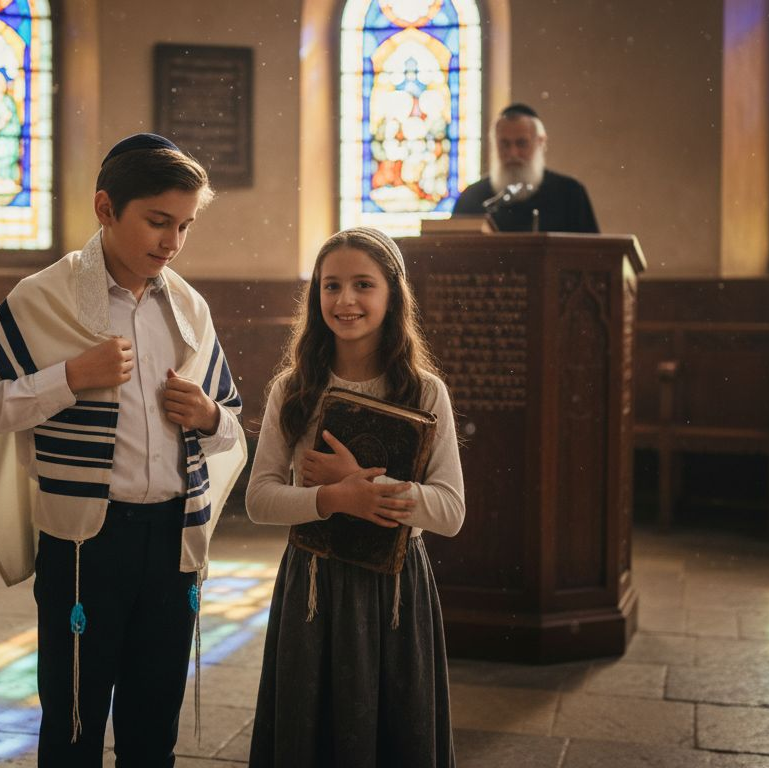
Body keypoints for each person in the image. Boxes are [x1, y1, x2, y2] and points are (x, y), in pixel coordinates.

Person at [0, 133, 247, 766]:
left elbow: (232, 429)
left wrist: (210, 412)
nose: (172, 242)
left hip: (171, 539)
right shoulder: (39, 299)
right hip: (85, 547)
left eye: (185, 226)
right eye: (158, 221)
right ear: (106, 208)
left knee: (151, 726)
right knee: (74, 724)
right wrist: (70, 378)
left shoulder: (189, 307)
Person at [246, 227, 465, 767]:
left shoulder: (423, 391)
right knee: (309, 730)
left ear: (392, 295)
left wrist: (367, 490)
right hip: (313, 585)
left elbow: (452, 511)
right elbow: (259, 499)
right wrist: (332, 499)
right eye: (331, 285)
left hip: (394, 593)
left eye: (363, 285)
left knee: (394, 732)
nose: (345, 300)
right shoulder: (293, 389)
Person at [452, 103, 599, 233]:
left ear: (540, 142)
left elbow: (594, 256)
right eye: (504, 144)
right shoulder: (472, 198)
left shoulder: (570, 194)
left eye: (521, 143)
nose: (513, 153)